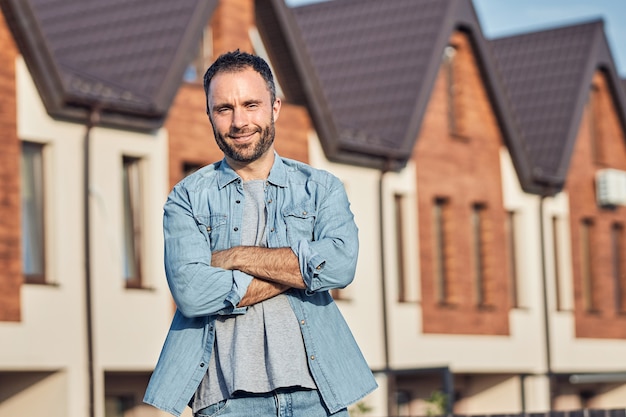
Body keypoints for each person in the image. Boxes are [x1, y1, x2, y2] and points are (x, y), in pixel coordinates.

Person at [143, 50, 377, 417]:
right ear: (209, 116)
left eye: (251, 104)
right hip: (227, 402)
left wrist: (235, 257)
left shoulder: (321, 188)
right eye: (224, 109)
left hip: (318, 397)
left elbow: (340, 266)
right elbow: (191, 293)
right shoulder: (187, 196)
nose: (239, 121)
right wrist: (301, 271)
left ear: (275, 108)